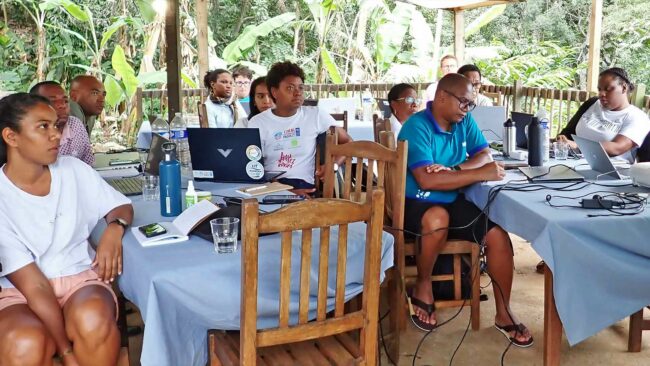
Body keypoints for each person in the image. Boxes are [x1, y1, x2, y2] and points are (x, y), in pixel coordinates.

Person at [397, 74, 533, 347]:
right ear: (442, 97)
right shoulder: (416, 126)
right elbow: (427, 179)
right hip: (416, 203)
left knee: (498, 237)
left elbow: (484, 154)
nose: (467, 109)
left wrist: (456, 169)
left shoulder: (464, 121)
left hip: (453, 197)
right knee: (438, 218)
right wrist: (479, 172)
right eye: (463, 102)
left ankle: (503, 313)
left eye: (470, 104)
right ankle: (423, 284)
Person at [0, 93, 134, 366]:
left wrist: (115, 229)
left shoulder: (73, 170)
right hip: (20, 291)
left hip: (78, 279)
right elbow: (35, 286)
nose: (56, 136)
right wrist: (66, 353)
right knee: (24, 342)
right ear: (11, 137)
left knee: (93, 319)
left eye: (55, 125)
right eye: (43, 127)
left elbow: (121, 206)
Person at [248, 61, 352, 192]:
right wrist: (285, 191)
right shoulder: (257, 123)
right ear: (274, 92)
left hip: (305, 188)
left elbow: (348, 142)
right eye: (290, 88)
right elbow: (252, 167)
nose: (298, 93)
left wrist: (333, 165)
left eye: (301, 88)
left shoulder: (315, 115)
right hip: (270, 187)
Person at [556, 67, 650, 164]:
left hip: (613, 172)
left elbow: (617, 147)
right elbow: (568, 133)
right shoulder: (592, 104)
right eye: (599, 89)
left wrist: (578, 146)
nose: (601, 94)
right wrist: (563, 140)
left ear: (624, 88)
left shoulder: (638, 118)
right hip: (574, 163)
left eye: (608, 89)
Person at [29, 81, 94, 166]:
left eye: (65, 100)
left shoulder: (75, 124)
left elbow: (88, 163)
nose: (62, 105)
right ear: (34, 106)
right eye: (52, 101)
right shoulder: (29, 131)